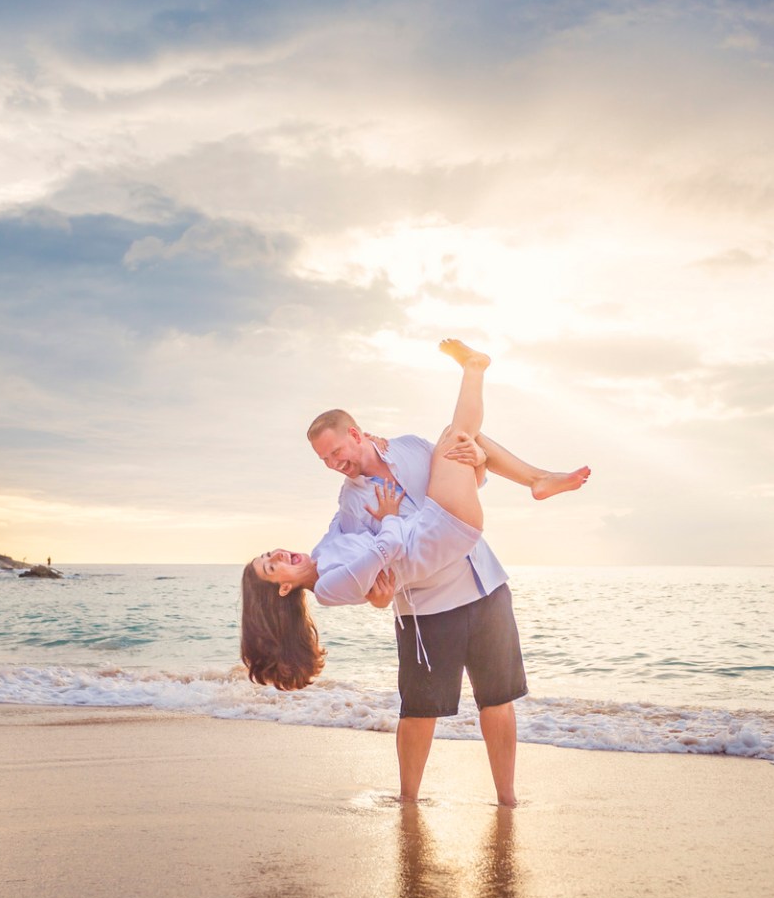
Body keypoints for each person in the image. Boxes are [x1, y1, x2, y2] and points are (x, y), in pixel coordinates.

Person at [242, 339, 588, 806]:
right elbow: (362, 568)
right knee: (419, 711)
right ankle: (407, 800)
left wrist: (480, 466)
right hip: (428, 606)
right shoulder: (349, 505)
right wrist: (378, 599)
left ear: (357, 433)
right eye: (324, 461)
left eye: (336, 451)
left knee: (498, 699)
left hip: (482, 583)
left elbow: (467, 477)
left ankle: (507, 799)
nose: (333, 464)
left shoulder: (407, 447)